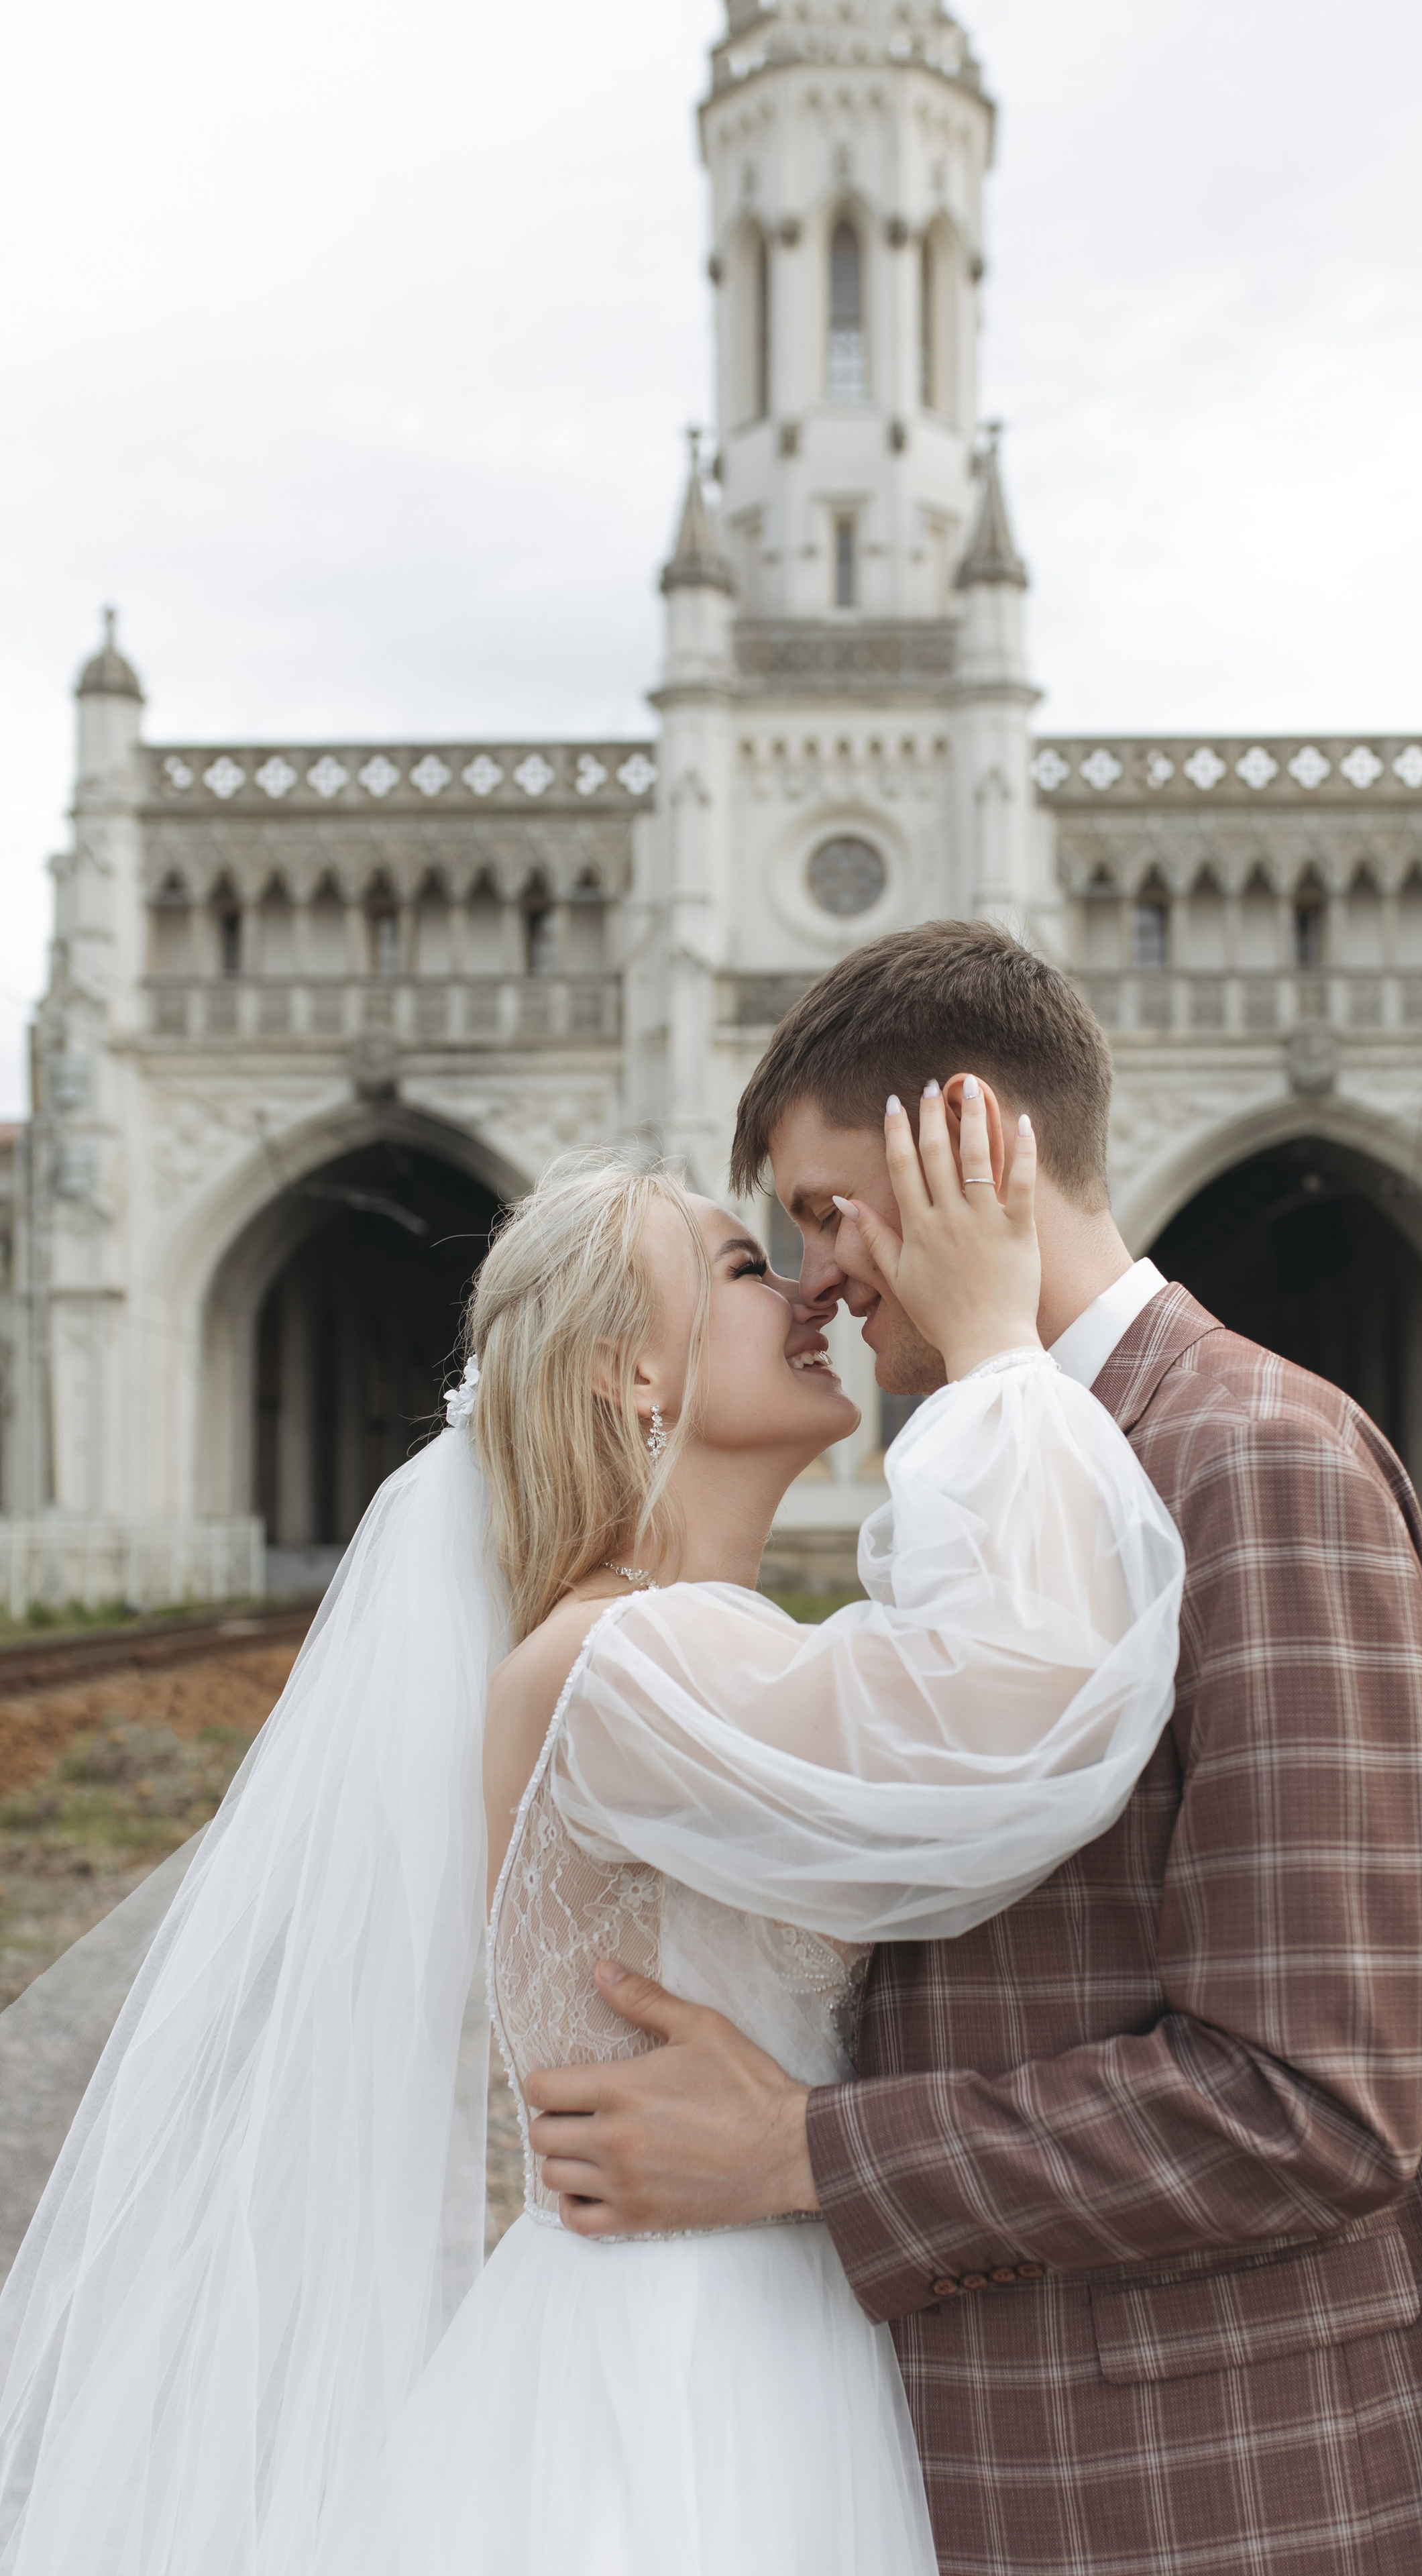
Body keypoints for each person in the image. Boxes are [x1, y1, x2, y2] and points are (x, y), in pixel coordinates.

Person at [524, 920, 1422, 2576]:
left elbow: (1312, 2104)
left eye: (827, 1212)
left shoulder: (1248, 1457)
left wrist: (802, 2153)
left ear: (973, 1144)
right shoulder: (1012, 1467)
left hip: (1233, 2484)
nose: (818, 1279)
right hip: (1027, 2444)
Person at [0, 1081, 1185, 2576]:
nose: (806, 1289)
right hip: (679, 2374)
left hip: (759, 2328)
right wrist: (1000, 1346)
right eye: (743, 1266)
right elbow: (1024, 1717)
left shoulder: (675, 1647)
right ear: (634, 1370)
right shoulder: (620, 1668)